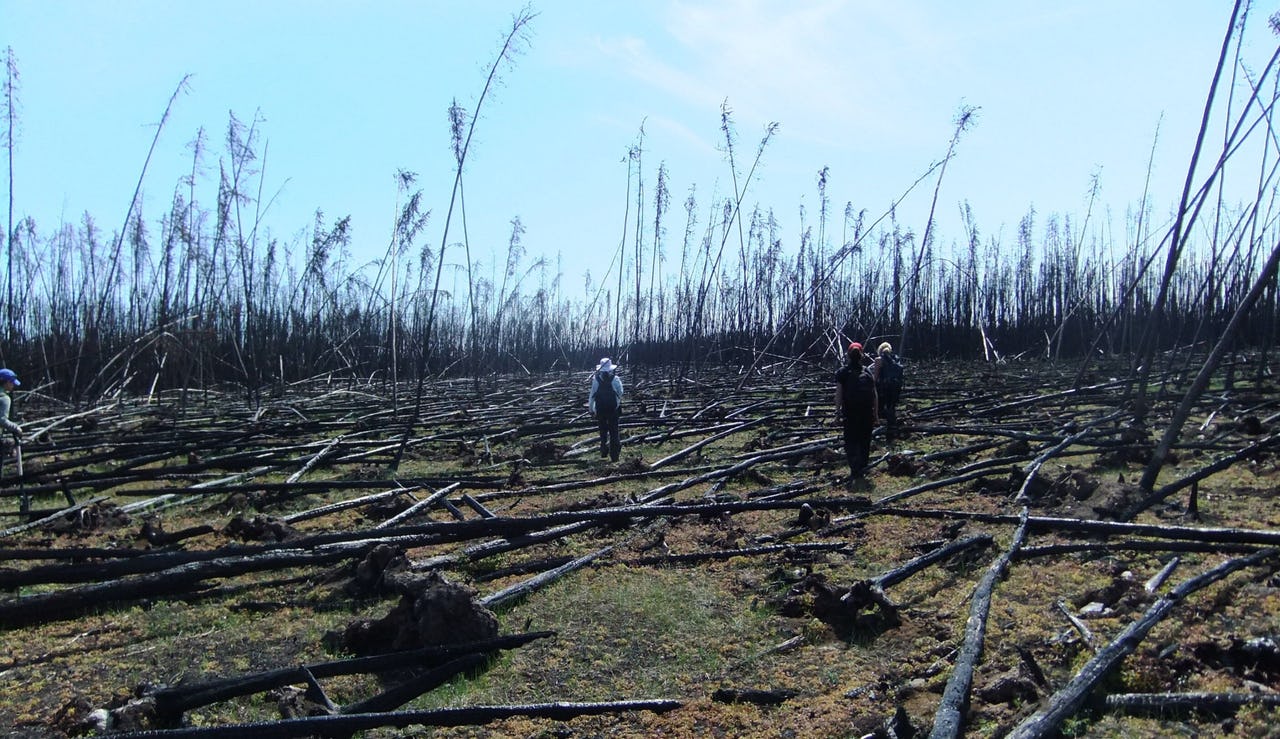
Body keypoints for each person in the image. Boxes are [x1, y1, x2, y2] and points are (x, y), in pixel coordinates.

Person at [835, 343, 878, 478]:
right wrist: (876, 414)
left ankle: (855, 468)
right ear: (862, 355)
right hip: (867, 413)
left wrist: (837, 413)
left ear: (848, 355)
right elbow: (874, 394)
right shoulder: (867, 372)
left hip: (850, 413)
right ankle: (863, 467)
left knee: (851, 441)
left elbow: (839, 394)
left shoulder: (842, 372)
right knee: (865, 441)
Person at [588, 358, 624, 462]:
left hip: (600, 410)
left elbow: (592, 396)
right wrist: (617, 403)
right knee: (614, 432)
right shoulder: (615, 379)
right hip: (613, 410)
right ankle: (615, 455)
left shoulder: (596, 380)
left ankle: (604, 451)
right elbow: (620, 392)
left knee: (603, 432)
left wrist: (591, 409)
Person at [874, 342, 904, 439]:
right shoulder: (896, 359)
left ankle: (882, 430)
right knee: (891, 408)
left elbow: (875, 377)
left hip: (883, 389)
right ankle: (892, 430)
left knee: (881, 409)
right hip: (895, 389)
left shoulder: (879, 360)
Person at [0, 368, 22, 478]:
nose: (13, 386)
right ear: (7, 382)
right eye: (12, 383)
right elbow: (2, 420)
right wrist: (16, 427)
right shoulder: (4, 398)